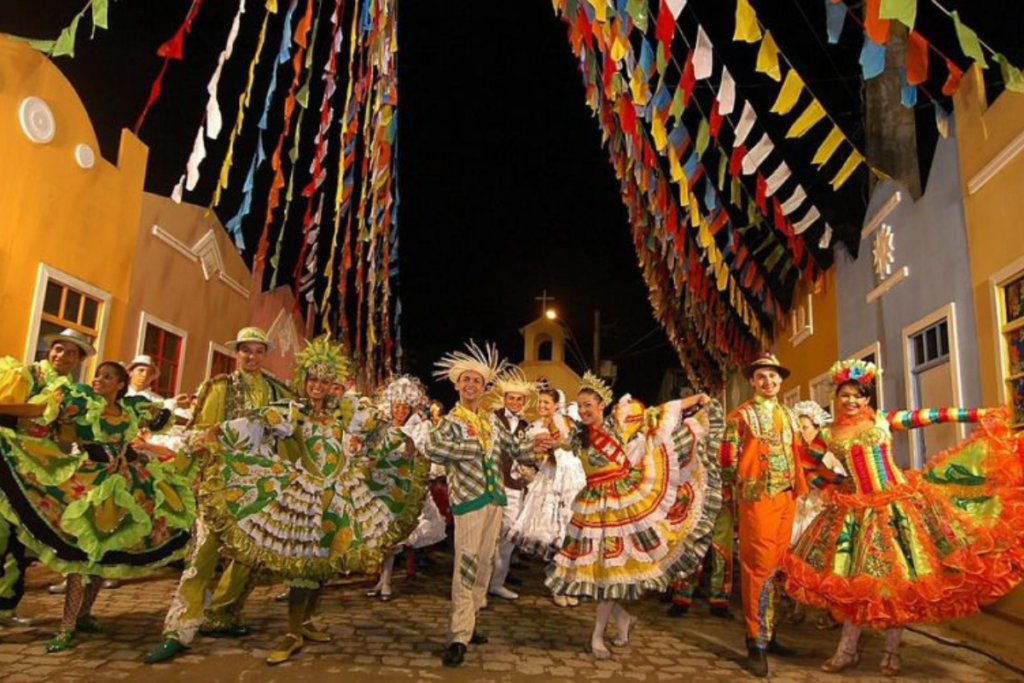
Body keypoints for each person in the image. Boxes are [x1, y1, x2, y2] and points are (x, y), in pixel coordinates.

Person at [783, 359, 1024, 677]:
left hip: (898, 508)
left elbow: (932, 416)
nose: (852, 401)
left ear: (868, 399)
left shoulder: (884, 421)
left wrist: (979, 414)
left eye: (858, 395)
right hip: (855, 514)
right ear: (836, 398)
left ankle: (891, 653)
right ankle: (846, 651)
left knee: (897, 585)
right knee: (858, 586)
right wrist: (830, 484)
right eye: (845, 395)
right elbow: (807, 465)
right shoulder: (827, 434)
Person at [0, 361, 194, 652]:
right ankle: (66, 626)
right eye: (97, 375)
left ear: (120, 385)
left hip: (128, 483)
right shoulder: (81, 401)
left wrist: (203, 424)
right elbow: (39, 410)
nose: (98, 380)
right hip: (92, 482)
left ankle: (85, 614)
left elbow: (167, 419)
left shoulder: (131, 409)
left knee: (105, 550)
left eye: (107, 377)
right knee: (82, 556)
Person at [545, 372, 725, 660]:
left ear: (602, 403)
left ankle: (597, 636)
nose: (583, 410)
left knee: (611, 571)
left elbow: (659, 412)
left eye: (588, 404)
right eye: (579, 406)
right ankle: (624, 620)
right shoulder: (577, 434)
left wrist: (698, 398)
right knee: (602, 573)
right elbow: (553, 440)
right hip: (592, 506)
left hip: (621, 503)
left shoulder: (621, 423)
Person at [145, 327, 293, 664]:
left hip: (261, 486)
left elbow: (293, 432)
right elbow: (195, 434)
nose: (252, 357)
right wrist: (212, 435)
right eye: (246, 351)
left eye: (258, 351)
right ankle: (179, 629)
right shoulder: (220, 387)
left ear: (264, 354)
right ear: (236, 354)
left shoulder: (278, 392)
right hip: (220, 483)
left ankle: (222, 615)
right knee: (202, 555)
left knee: (251, 555)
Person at [425, 342, 553, 667]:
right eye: (466, 380)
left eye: (477, 381)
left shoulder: (492, 421)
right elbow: (435, 450)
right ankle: (458, 634)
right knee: (466, 565)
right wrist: (474, 448)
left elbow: (517, 449)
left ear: (483, 388)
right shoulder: (451, 422)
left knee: (484, 564)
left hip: (495, 499)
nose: (471, 385)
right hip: (469, 502)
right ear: (457, 385)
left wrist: (539, 445)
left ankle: (471, 624)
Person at [723, 353, 845, 677]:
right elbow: (725, 461)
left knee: (778, 567)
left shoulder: (791, 417)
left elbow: (805, 457)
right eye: (762, 377)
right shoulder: (740, 417)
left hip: (787, 499)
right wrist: (735, 492)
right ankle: (755, 643)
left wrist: (835, 479)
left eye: (774, 377)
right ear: (752, 381)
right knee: (758, 568)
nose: (769, 382)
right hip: (757, 500)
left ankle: (770, 633)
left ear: (780, 381)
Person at [0, 328, 95, 628]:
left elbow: (54, 424)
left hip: (38, 469)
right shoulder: (23, 373)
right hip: (7, 459)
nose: (62, 356)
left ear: (79, 360)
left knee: (19, 535)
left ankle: (4, 608)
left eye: (71, 352)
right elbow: (29, 409)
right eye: (58, 348)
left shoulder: (70, 392)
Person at [365, 376, 446, 602]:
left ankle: (388, 580)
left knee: (394, 537)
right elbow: (369, 452)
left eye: (404, 406)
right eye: (396, 406)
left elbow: (422, 455)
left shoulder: (419, 428)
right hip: (379, 488)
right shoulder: (380, 427)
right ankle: (383, 579)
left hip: (404, 489)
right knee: (380, 536)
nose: (400, 410)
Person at [508, 387, 586, 607]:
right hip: (550, 482)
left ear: (556, 405)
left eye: (546, 403)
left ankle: (568, 584)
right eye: (540, 402)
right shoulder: (534, 428)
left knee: (569, 534)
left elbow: (576, 446)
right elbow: (526, 457)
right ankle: (556, 586)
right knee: (554, 534)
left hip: (571, 479)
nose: (542, 407)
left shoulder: (568, 423)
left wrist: (561, 442)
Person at [487, 367, 537, 602]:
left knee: (508, 538)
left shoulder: (528, 426)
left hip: (516, 487)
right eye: (511, 398)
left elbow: (529, 456)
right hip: (492, 484)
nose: (515, 402)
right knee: (488, 537)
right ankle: (480, 587)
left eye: (519, 399)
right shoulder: (491, 418)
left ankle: (497, 583)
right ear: (504, 399)